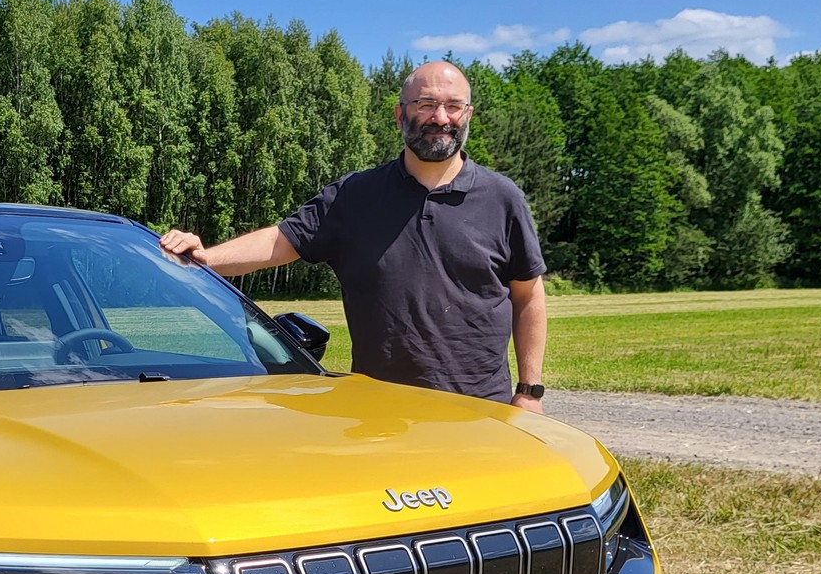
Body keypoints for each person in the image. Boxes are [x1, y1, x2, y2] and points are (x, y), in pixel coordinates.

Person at [159, 60, 549, 412]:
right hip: (379, 409)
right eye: (425, 104)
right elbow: (281, 242)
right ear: (400, 113)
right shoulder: (354, 196)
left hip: (481, 411)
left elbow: (528, 296)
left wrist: (529, 392)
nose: (440, 117)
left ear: (468, 114)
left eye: (453, 106)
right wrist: (207, 256)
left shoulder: (502, 198)